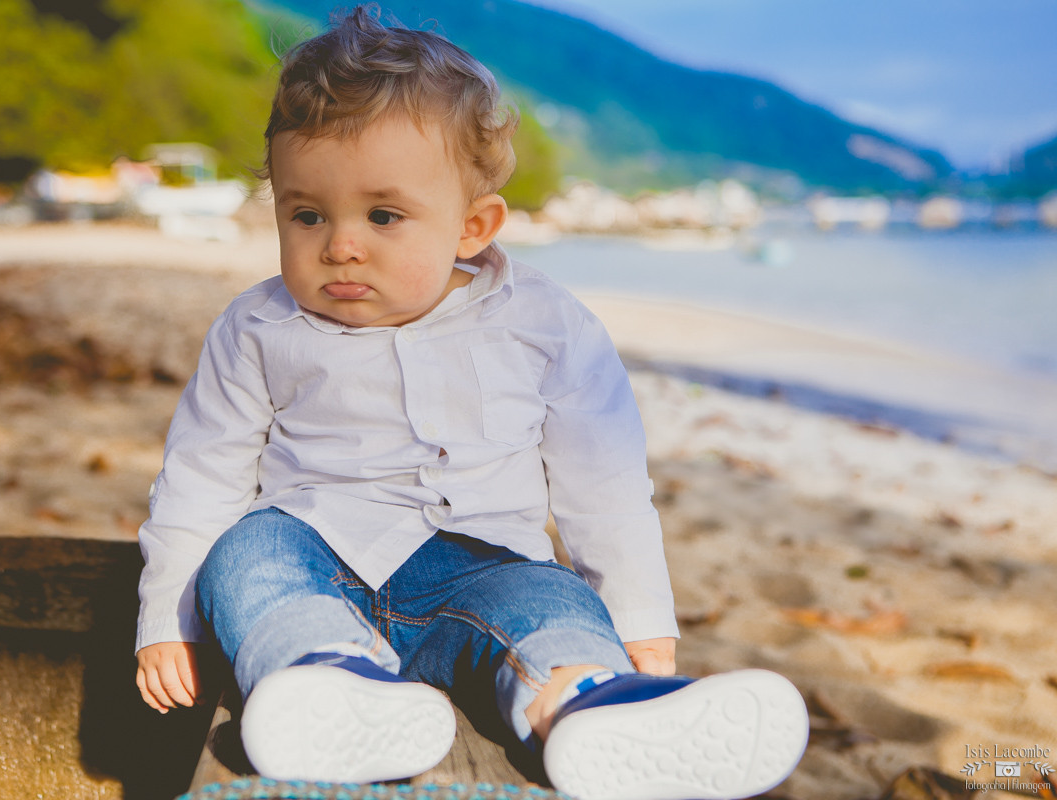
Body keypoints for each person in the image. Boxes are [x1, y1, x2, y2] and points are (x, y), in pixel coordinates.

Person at [134, 6, 809, 799]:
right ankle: (327, 686)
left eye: (384, 215)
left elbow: (606, 481)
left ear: (473, 227)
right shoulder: (258, 326)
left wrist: (642, 624)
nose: (340, 243)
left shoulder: (545, 324)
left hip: (483, 568)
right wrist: (165, 617)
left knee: (550, 600)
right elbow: (200, 476)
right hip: (317, 563)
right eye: (306, 213)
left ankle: (589, 701)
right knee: (244, 555)